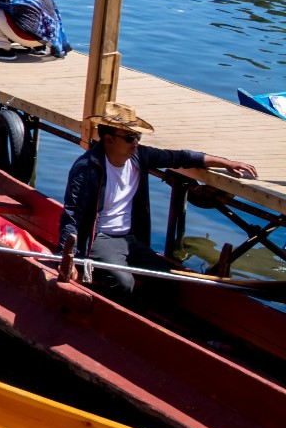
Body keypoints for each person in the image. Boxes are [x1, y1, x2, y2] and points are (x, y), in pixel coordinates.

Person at [58, 103, 257, 295]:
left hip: (129, 238)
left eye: (138, 136)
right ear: (109, 139)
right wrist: (68, 258)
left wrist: (226, 162)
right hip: (99, 238)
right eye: (129, 137)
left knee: (167, 278)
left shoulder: (139, 157)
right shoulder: (86, 169)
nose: (135, 142)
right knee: (123, 283)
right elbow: (72, 216)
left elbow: (181, 157)